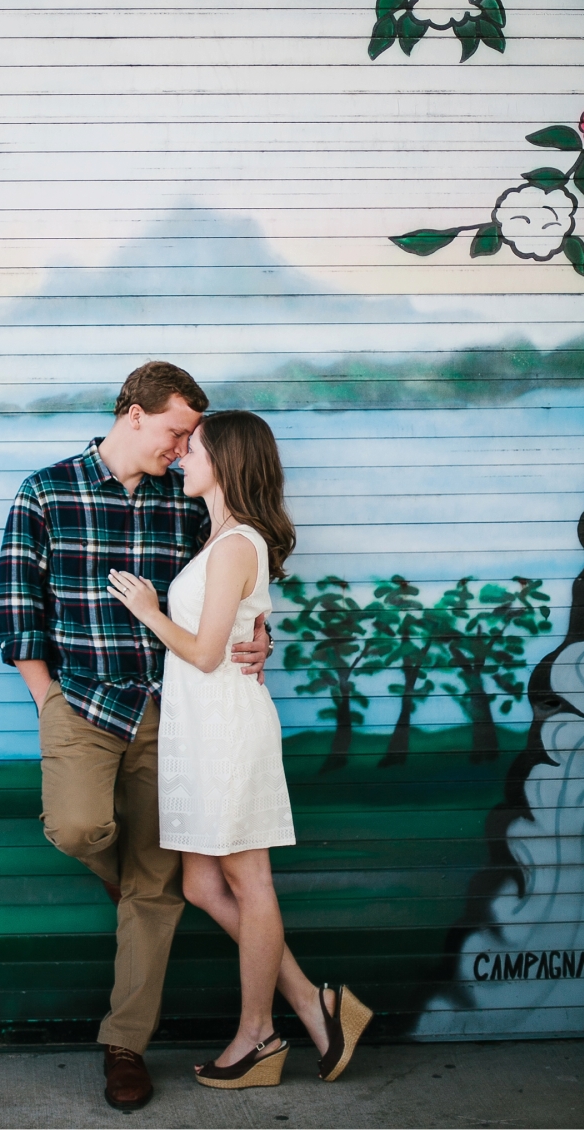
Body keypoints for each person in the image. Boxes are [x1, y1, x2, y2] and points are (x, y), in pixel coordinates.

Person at [0, 362, 272, 1112]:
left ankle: (125, 1046)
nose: (183, 450)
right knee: (79, 829)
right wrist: (50, 704)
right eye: (177, 432)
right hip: (80, 704)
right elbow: (18, 614)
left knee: (157, 888)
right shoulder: (45, 491)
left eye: (191, 440)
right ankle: (124, 879)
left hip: (171, 715)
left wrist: (260, 630)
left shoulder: (183, 503)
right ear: (134, 414)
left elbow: (230, 572)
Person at [108, 410, 373, 1089]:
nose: (183, 457)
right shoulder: (221, 538)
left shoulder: (236, 544)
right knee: (201, 884)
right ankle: (314, 1003)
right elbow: (228, 636)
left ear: (224, 461)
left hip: (224, 727)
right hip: (199, 731)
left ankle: (258, 1035)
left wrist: (147, 611)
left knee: (249, 880)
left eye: (192, 448)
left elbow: (201, 653)